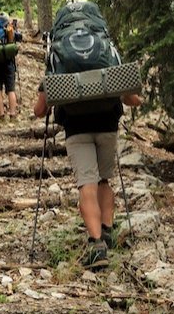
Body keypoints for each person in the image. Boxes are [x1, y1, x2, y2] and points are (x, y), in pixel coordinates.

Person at [33, 84, 142, 269]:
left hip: (76, 128)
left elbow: (40, 110)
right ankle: (107, 230)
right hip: (107, 125)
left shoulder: (58, 57)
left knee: (86, 184)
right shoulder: (107, 55)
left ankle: (97, 245)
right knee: (103, 180)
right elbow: (132, 100)